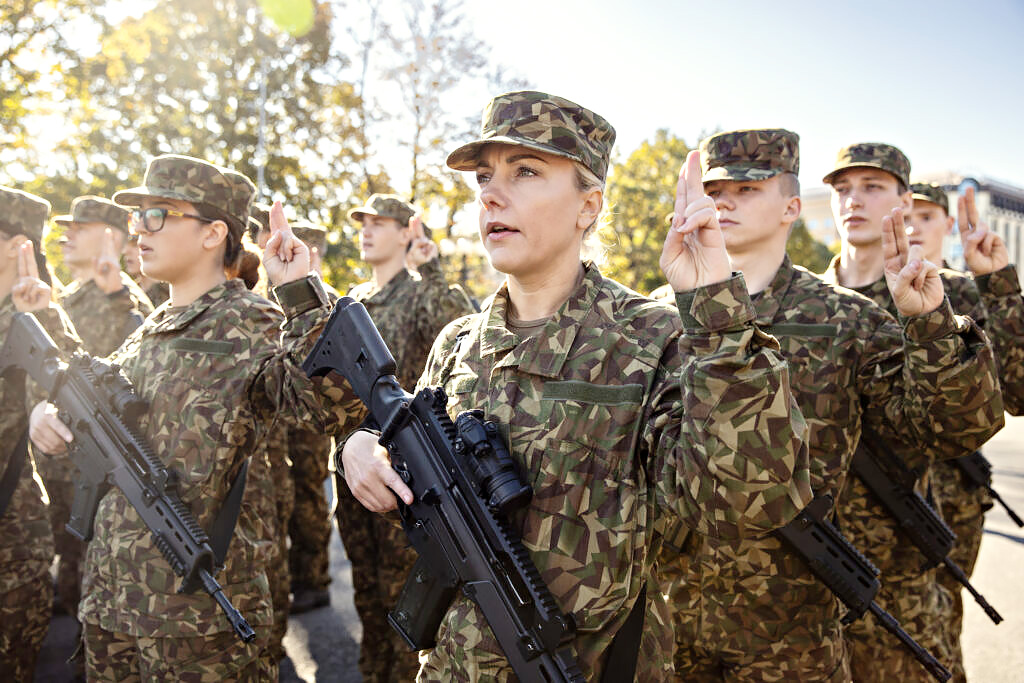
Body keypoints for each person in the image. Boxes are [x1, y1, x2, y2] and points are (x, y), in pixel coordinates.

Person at [339, 90, 814, 681]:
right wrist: (362, 445)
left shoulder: (655, 339)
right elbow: (420, 485)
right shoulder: (459, 342)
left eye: (526, 172)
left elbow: (747, 503)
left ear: (588, 205)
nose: (490, 192)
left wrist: (715, 310)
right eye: (484, 176)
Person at [652, 130, 1002, 681]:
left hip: (794, 633)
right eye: (714, 188)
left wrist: (930, 324)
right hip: (672, 627)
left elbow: (952, 430)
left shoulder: (848, 319)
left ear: (792, 206)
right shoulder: (653, 319)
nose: (723, 201)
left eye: (746, 189)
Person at [27, 154, 364, 680]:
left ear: (213, 233)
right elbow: (91, 416)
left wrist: (300, 292)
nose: (139, 228)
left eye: (159, 213)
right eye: (138, 216)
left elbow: (333, 404)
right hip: (112, 608)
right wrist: (49, 418)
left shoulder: (249, 320)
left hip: (200, 627)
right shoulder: (152, 325)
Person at [819, 143, 1004, 682]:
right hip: (824, 544)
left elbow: (1010, 391)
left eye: (872, 187)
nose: (854, 200)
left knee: (928, 652)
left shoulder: (943, 292)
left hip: (924, 523)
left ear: (903, 198)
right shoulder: (807, 300)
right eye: (842, 188)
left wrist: (999, 285)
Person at [334, 192, 475, 681]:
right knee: (367, 597)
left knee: (407, 605)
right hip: (351, 466)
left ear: (406, 231)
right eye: (363, 222)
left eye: (381, 222)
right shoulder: (353, 301)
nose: (367, 230)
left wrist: (430, 269)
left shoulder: (420, 293)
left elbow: (458, 325)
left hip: (409, 474)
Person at [906, 182, 1024, 681]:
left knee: (932, 634)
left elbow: (1018, 389)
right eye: (903, 214)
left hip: (946, 499)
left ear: (948, 225)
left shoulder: (965, 292)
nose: (911, 226)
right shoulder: (825, 296)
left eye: (926, 217)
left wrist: (997, 281)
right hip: (846, 503)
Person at [45, 195, 155, 628]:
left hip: (99, 471)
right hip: (57, 463)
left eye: (81, 226)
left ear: (112, 235)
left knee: (94, 592)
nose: (66, 233)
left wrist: (115, 294)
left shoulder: (127, 300)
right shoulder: (67, 298)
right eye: (66, 225)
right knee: (67, 580)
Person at [0, 186, 80, 681]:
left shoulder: (31, 318)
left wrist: (42, 314)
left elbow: (67, 385)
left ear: (15, 244)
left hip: (9, 544)